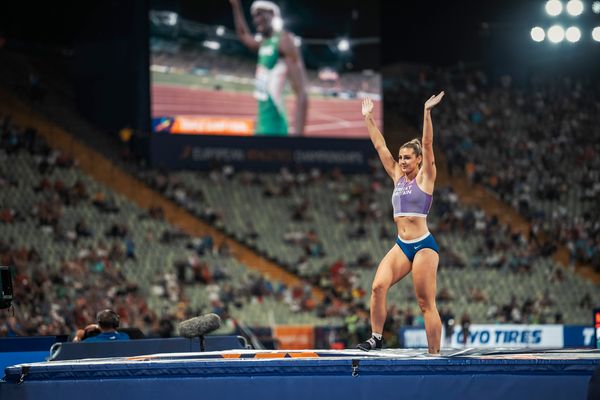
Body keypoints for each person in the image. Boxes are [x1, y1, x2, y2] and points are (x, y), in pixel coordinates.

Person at [357, 92, 445, 354]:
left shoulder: (426, 177)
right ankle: (376, 337)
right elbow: (380, 146)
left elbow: (428, 144)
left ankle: (434, 354)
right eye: (401, 157)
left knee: (424, 303)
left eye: (407, 157)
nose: (402, 161)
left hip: (423, 246)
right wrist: (368, 118)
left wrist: (427, 113)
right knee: (377, 286)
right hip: (402, 245)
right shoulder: (397, 175)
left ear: (418, 159)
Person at [229, 0, 308, 136]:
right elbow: (243, 35)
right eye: (254, 16)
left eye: (260, 14)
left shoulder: (284, 40)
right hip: (261, 125)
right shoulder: (263, 43)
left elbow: (301, 92)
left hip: (275, 128)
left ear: (273, 15)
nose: (256, 19)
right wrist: (236, 6)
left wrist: (298, 141)